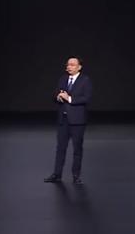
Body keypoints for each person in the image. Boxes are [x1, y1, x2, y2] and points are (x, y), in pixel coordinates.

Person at [44, 56, 92, 184]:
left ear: (79, 67)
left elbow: (86, 98)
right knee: (60, 148)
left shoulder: (85, 80)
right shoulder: (63, 79)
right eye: (68, 65)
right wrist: (58, 97)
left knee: (77, 149)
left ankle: (76, 176)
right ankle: (57, 174)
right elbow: (55, 94)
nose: (69, 67)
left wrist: (69, 98)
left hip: (77, 121)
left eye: (72, 65)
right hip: (63, 119)